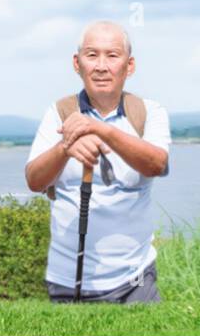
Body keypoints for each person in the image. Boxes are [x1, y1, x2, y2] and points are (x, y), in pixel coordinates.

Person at [24, 20, 171, 304]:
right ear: (77, 63)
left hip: (136, 281)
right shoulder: (58, 113)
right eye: (92, 55)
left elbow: (156, 164)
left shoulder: (149, 112)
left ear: (129, 66)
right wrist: (65, 147)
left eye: (112, 55)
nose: (101, 66)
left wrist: (101, 130)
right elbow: (34, 180)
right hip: (68, 281)